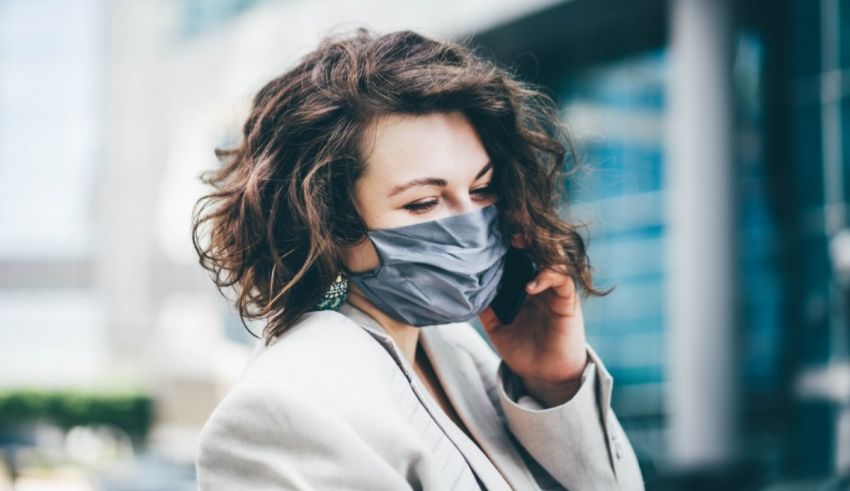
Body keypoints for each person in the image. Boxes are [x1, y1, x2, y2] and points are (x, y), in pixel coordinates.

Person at [191, 27, 644, 490]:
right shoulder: (282, 410)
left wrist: (555, 385)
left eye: (482, 189)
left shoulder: (457, 349)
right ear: (326, 224)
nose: (470, 224)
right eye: (424, 203)